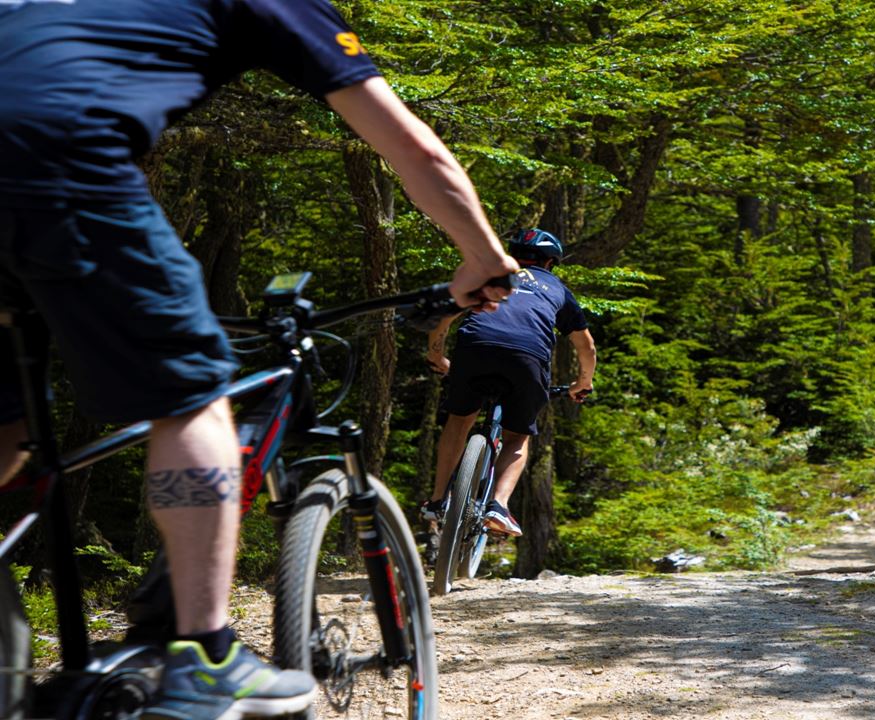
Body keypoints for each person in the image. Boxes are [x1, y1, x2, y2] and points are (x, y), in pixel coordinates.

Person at [0, 1, 519, 718]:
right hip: (54, 153)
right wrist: (483, 257)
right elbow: (412, 148)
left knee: (11, 421)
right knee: (192, 396)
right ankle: (203, 657)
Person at [423, 228, 596, 538]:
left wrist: (437, 357)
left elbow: (443, 319)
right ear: (550, 263)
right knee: (517, 436)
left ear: (513, 256)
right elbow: (587, 347)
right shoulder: (557, 288)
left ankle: (438, 501)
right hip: (527, 358)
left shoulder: (487, 276)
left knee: (459, 420)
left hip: (475, 348)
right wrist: (583, 383)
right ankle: (498, 506)